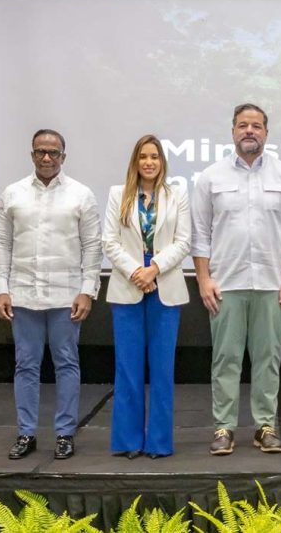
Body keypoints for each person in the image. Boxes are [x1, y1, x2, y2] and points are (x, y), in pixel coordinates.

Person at [191, 103, 281, 455]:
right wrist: (203, 279)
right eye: (243, 125)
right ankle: (224, 428)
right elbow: (199, 235)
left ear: (266, 133)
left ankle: (265, 426)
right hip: (225, 283)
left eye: (256, 125)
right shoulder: (210, 177)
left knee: (267, 358)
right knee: (225, 359)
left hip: (273, 285)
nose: (249, 131)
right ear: (232, 131)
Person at [0, 129, 102, 460]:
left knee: (67, 363)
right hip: (23, 295)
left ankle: (65, 433)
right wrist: (1, 289)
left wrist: (87, 291)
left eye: (53, 153)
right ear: (32, 155)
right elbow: (0, 243)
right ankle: (26, 433)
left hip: (66, 296)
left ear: (63, 157)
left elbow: (92, 247)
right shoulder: (13, 194)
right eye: (41, 152)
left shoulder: (81, 195)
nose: (47, 158)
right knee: (25, 365)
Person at [103, 135, 191, 459]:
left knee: (163, 369)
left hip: (164, 287)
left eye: (155, 156)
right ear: (135, 161)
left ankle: (158, 443)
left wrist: (153, 269)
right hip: (128, 288)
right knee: (127, 368)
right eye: (143, 157)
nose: (149, 162)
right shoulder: (118, 195)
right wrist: (136, 272)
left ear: (162, 162)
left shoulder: (177, 195)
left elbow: (184, 242)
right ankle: (128, 441)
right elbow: (109, 242)